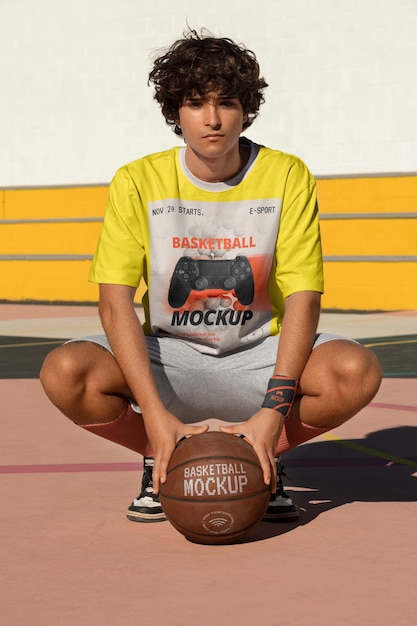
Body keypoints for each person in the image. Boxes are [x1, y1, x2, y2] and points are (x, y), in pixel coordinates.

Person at [40, 29, 382, 524]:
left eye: (227, 103)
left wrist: (273, 411)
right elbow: (115, 302)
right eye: (197, 103)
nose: (214, 118)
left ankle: (260, 454)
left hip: (259, 355)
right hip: (171, 359)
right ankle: (166, 457)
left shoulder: (287, 175)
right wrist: (154, 416)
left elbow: (305, 296)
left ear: (247, 109)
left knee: (356, 370)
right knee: (65, 371)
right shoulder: (138, 180)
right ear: (175, 112)